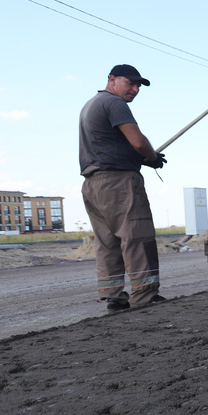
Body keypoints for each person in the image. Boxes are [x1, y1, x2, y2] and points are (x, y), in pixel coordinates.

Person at [78, 64, 167, 311]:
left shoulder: (90, 105)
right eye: (131, 83)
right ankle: (145, 295)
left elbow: (110, 146)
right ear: (112, 79)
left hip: (93, 184)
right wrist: (151, 157)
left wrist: (140, 158)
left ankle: (113, 296)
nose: (136, 89)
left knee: (107, 242)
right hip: (118, 183)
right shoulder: (115, 104)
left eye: (139, 86)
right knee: (136, 235)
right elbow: (138, 141)